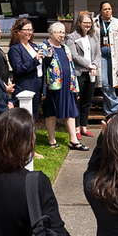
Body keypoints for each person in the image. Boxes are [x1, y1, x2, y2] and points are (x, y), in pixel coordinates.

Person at [41, 21, 87, 151]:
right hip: (53, 87)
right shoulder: (44, 47)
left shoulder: (65, 47)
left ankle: (74, 140)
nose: (62, 35)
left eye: (63, 32)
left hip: (68, 85)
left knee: (71, 111)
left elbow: (71, 68)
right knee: (51, 113)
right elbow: (42, 68)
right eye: (59, 32)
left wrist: (75, 87)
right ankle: (51, 140)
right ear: (51, 33)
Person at [66, 13, 100, 139]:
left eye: (89, 23)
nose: (88, 25)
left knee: (87, 101)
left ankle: (84, 127)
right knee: (77, 101)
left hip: (91, 73)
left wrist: (94, 65)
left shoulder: (93, 37)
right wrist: (89, 65)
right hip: (78, 73)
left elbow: (98, 54)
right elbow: (74, 56)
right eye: (85, 22)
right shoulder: (71, 37)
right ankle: (76, 128)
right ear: (79, 23)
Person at [93, 2, 118, 117]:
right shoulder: (94, 23)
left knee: (111, 82)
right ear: (100, 11)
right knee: (103, 82)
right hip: (100, 56)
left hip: (115, 57)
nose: (107, 11)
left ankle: (109, 112)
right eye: (104, 9)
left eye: (109, 9)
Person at [8, 17, 45, 117]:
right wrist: (35, 60)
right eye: (26, 30)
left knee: (35, 116)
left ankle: (32, 133)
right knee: (24, 117)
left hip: (37, 85)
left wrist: (48, 58)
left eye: (31, 30)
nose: (29, 32)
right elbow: (19, 69)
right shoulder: (15, 49)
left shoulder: (34, 46)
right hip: (25, 87)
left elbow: (41, 66)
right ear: (18, 32)